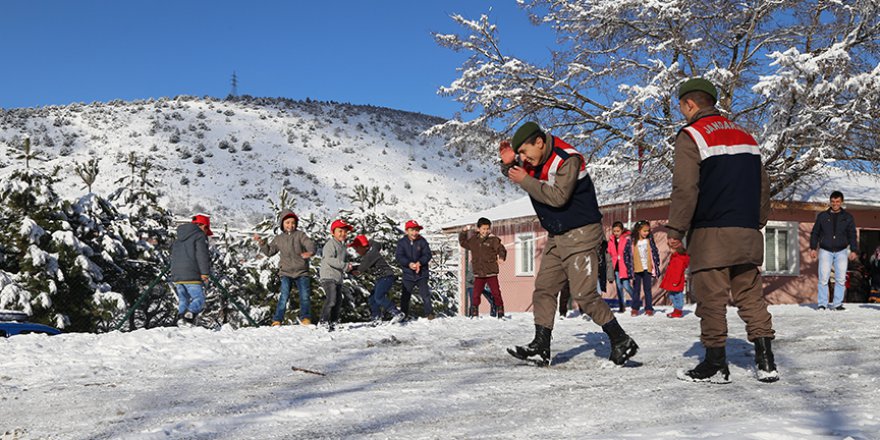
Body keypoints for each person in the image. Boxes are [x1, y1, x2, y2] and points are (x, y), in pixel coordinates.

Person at [667, 77, 778, 383]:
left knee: (711, 300)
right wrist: (757, 221)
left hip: (711, 234)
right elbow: (763, 186)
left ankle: (716, 363)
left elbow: (685, 188)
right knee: (751, 296)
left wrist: (676, 228)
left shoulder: (691, 135)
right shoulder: (746, 136)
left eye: (681, 106)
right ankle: (766, 360)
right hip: (746, 231)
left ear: (690, 103)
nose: (681, 112)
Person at [500, 121, 639, 367]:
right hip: (558, 233)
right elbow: (517, 172)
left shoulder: (567, 159)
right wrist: (508, 162)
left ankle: (621, 339)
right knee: (544, 288)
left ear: (539, 142)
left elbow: (558, 197)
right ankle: (541, 345)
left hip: (582, 233)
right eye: (520, 154)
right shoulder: (535, 159)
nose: (523, 158)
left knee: (584, 296)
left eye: (524, 152)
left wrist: (523, 178)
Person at [253, 210, 316, 326]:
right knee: (284, 296)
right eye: (287, 223)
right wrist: (262, 243)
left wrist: (310, 251)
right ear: (282, 224)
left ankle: (305, 318)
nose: (290, 225)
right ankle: (277, 319)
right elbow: (270, 252)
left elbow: (309, 243)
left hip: (301, 271)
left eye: (293, 223)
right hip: (286, 272)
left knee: (305, 296)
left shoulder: (300, 235)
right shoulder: (278, 238)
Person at [809, 191, 858, 311]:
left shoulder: (847, 217)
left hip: (842, 250)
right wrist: (813, 248)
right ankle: (822, 304)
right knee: (823, 278)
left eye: (837, 202)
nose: (835, 204)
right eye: (833, 201)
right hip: (825, 250)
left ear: (841, 202)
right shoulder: (822, 216)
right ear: (830, 202)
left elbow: (852, 234)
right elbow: (815, 232)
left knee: (841, 278)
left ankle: (837, 304)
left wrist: (853, 250)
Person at [349, 234, 403, 324]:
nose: (357, 252)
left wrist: (348, 269)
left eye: (357, 249)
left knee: (379, 298)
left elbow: (359, 270)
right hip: (382, 278)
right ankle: (376, 318)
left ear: (362, 247)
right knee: (372, 299)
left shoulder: (370, 255)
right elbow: (375, 245)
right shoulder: (371, 249)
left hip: (386, 277)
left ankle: (397, 313)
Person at [459, 217, 507, 318]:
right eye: (483, 229)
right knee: (476, 294)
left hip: (491, 272)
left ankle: (500, 312)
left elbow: (501, 249)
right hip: (479, 273)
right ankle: (474, 313)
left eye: (487, 229)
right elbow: (463, 243)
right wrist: (463, 232)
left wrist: (501, 257)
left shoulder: (493, 240)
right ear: (478, 229)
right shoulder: (473, 241)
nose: (485, 231)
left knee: (496, 292)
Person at [170, 214, 212, 326]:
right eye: (206, 228)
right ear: (202, 225)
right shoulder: (199, 236)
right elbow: (202, 256)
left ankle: (181, 319)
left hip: (177, 274)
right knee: (199, 299)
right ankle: (189, 317)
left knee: (183, 299)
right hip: (191, 274)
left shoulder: (179, 238)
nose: (206, 232)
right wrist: (204, 273)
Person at [395, 220, 435, 320]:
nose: (414, 233)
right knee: (405, 297)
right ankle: (403, 315)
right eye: (412, 230)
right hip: (408, 274)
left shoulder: (422, 241)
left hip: (422, 273)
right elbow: (399, 256)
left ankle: (429, 314)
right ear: (406, 231)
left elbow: (428, 255)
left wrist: (419, 263)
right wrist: (409, 264)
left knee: (425, 295)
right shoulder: (402, 242)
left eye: (417, 230)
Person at [318, 219, 353, 331]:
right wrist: (344, 266)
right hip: (328, 276)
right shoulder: (330, 244)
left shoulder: (342, 246)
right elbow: (329, 259)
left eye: (345, 232)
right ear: (333, 232)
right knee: (331, 299)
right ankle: (323, 322)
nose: (343, 234)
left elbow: (341, 263)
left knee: (338, 301)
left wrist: (349, 269)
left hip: (337, 278)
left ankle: (333, 322)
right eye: (340, 231)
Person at [623, 220, 661, 316]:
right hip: (636, 269)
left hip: (647, 268)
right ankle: (635, 308)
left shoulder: (649, 240)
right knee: (636, 290)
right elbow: (626, 255)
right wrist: (629, 266)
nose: (646, 233)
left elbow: (655, 252)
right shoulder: (631, 241)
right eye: (644, 231)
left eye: (648, 231)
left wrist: (656, 262)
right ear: (638, 230)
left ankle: (648, 308)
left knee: (647, 289)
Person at [607, 222, 634, 313]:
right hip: (616, 267)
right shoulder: (611, 240)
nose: (616, 233)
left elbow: (629, 253)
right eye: (614, 231)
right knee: (618, 287)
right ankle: (621, 306)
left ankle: (636, 301)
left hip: (624, 266)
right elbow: (609, 252)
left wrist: (630, 266)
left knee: (626, 286)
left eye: (618, 231)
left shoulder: (626, 239)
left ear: (622, 230)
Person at [661, 246, 691, 318]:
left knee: (677, 296)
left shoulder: (678, 259)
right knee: (673, 295)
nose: (670, 250)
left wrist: (675, 281)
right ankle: (676, 310)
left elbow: (678, 272)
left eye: (671, 249)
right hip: (672, 280)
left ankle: (678, 311)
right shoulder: (674, 257)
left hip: (676, 282)